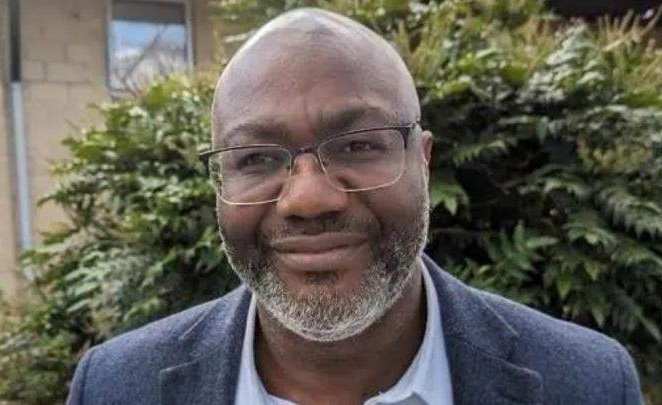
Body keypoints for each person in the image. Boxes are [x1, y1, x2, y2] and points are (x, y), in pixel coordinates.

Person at [67, 8, 643, 405]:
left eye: (358, 145)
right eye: (256, 158)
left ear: (423, 161)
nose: (308, 199)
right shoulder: (116, 388)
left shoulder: (587, 383)